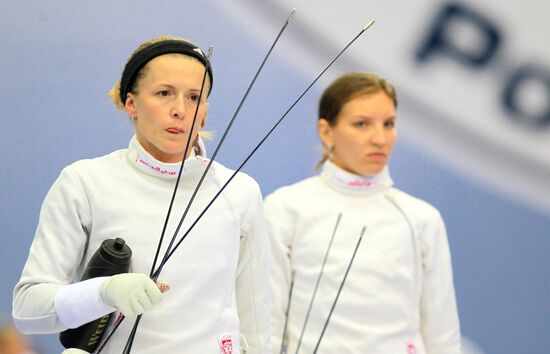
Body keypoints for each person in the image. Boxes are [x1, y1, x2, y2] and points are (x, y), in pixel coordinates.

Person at [12, 36, 272, 354]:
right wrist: (104, 291)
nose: (180, 110)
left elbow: (257, 319)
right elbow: (28, 309)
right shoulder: (84, 182)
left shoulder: (239, 191)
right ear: (131, 103)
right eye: (164, 93)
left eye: (194, 97)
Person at [265, 72, 461, 354]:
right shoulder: (286, 209)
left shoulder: (421, 219)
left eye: (389, 124)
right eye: (362, 124)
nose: (380, 138)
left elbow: (443, 338)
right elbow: (267, 324)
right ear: (326, 131)